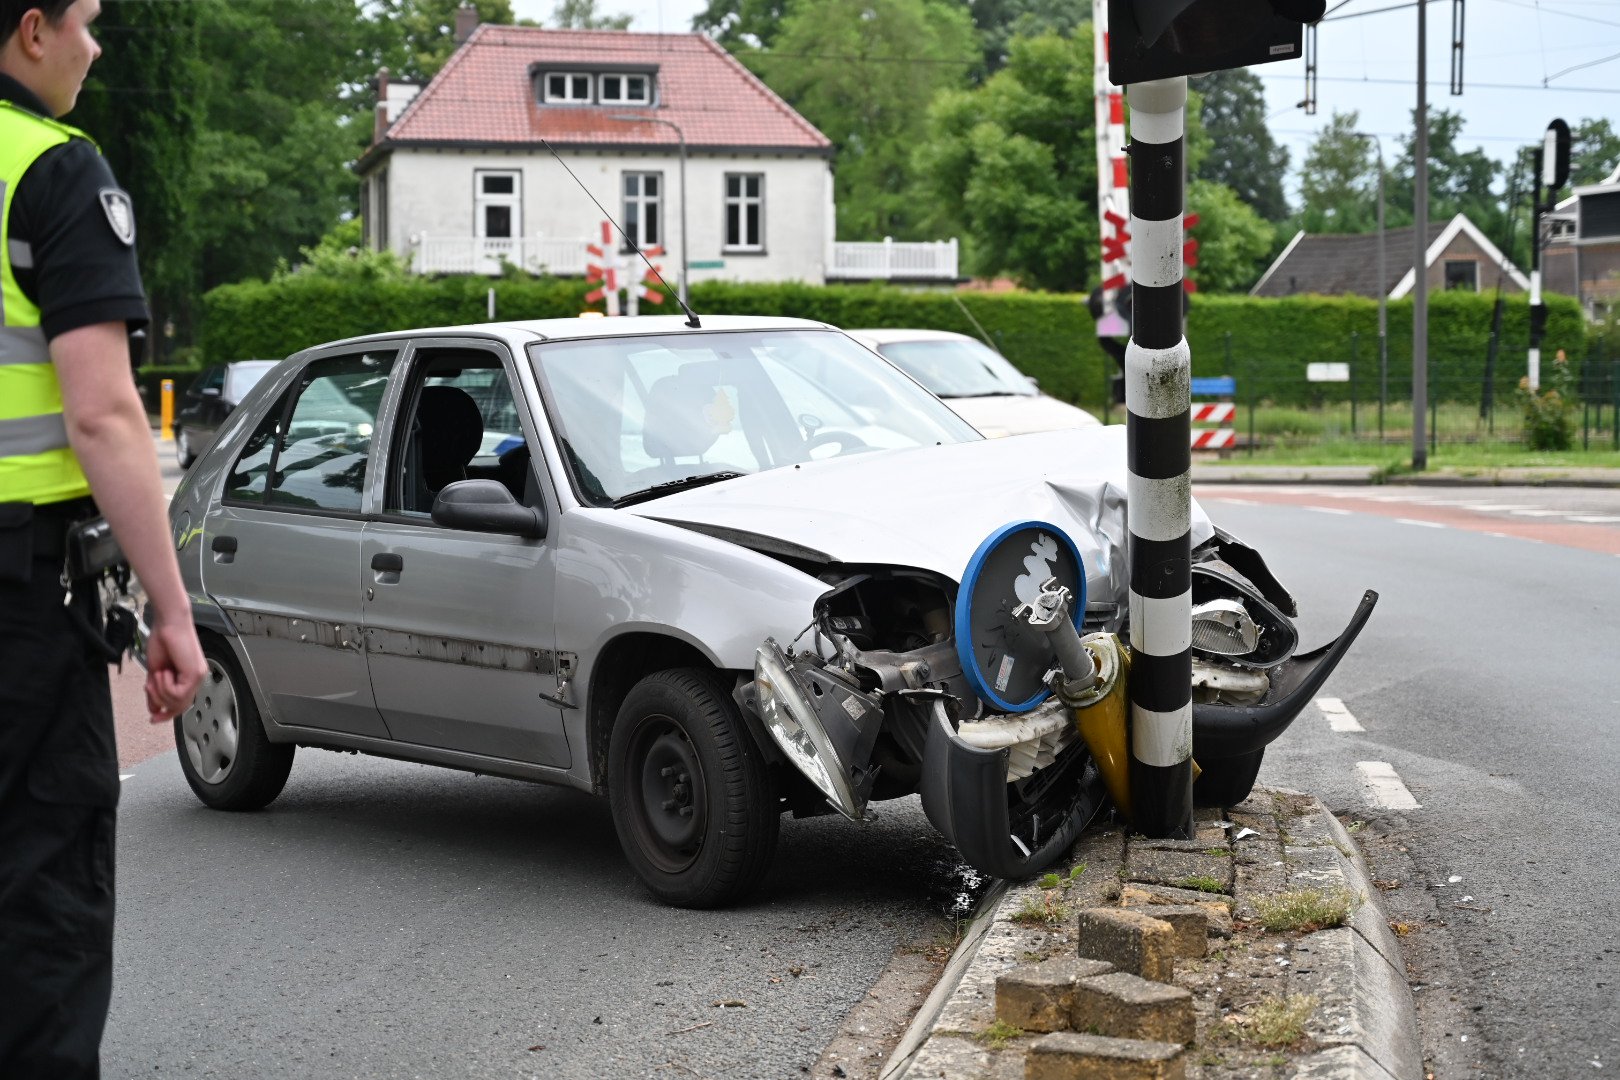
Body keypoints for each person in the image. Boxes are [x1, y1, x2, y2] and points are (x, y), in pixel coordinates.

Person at [0, 1, 207, 1075]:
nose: (96, 44)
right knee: (41, 907)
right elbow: (104, 414)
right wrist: (172, 610)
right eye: (84, 20)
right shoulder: (54, 167)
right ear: (31, 30)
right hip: (21, 609)